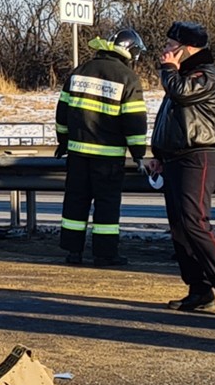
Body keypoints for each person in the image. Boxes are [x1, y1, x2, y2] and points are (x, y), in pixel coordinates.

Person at [149, 21, 215, 315]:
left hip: (198, 157)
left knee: (195, 222)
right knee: (180, 228)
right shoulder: (183, 76)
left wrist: (169, 69)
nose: (164, 51)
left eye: (169, 46)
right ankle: (199, 290)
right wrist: (160, 155)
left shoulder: (206, 76)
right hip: (175, 159)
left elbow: (181, 93)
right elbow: (172, 120)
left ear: (185, 49)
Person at [54, 28, 148, 267]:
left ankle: (73, 252)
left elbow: (62, 112)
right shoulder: (128, 78)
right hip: (108, 157)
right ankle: (105, 254)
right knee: (106, 205)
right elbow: (134, 121)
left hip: (77, 153)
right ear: (129, 52)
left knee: (75, 200)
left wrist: (63, 141)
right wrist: (139, 154)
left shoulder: (80, 71)